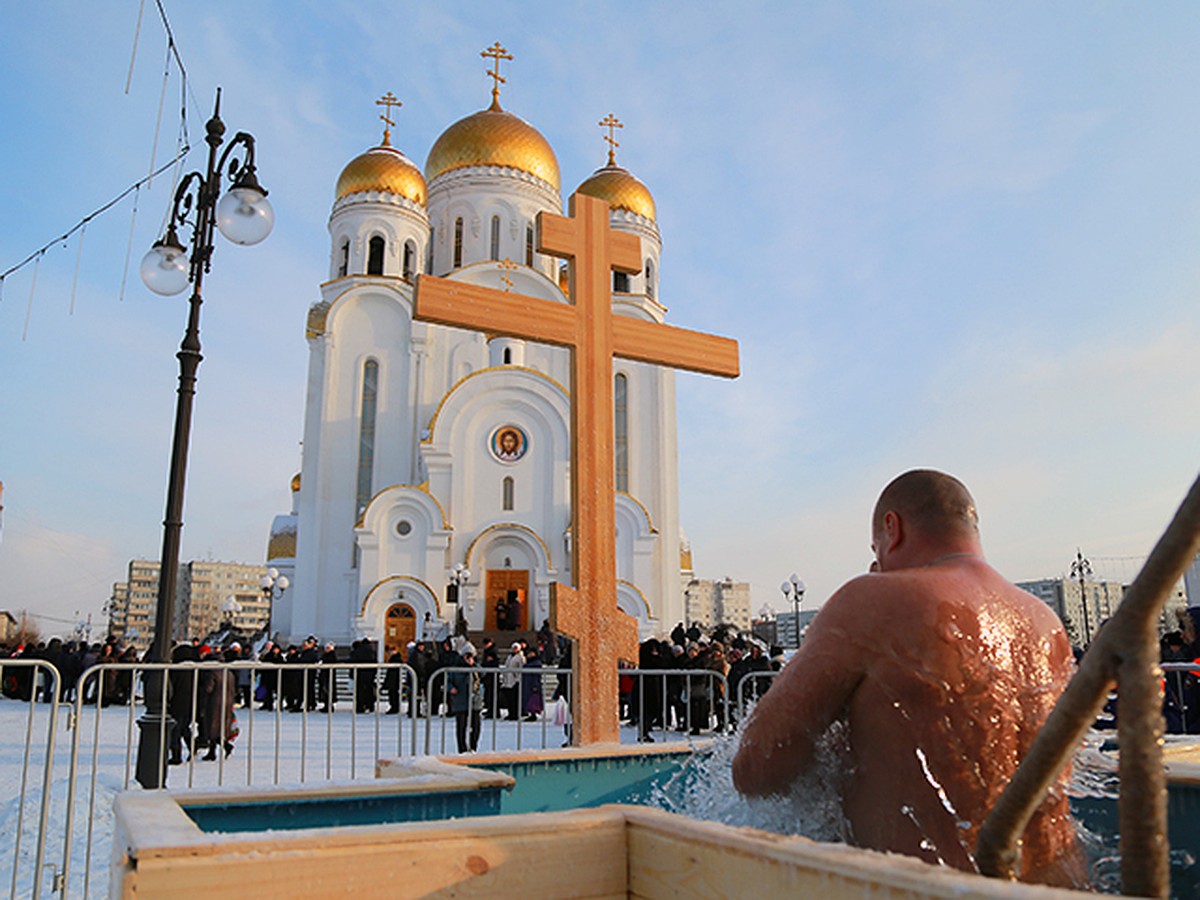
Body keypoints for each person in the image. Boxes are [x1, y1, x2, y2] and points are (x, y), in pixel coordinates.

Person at [732, 470, 1081, 887]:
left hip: (932, 890)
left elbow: (757, 767)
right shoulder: (1045, 622)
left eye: (876, 547)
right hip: (1063, 884)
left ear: (892, 530)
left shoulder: (874, 600)